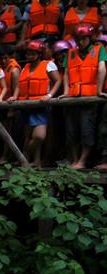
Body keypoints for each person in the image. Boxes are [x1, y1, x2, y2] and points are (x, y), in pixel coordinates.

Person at [61, 23, 106, 169]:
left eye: (84, 39)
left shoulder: (99, 50)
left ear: (90, 38)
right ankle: (75, 159)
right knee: (70, 131)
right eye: (78, 39)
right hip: (73, 97)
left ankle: (82, 160)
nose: (80, 42)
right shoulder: (71, 53)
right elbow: (66, 73)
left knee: (87, 129)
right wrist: (66, 91)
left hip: (89, 96)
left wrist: (99, 90)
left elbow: (101, 69)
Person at [11, 40, 62, 167]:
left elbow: (58, 80)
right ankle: (35, 161)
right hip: (26, 105)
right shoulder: (25, 68)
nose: (30, 56)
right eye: (28, 53)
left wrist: (49, 95)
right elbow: (19, 86)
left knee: (39, 136)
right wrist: (15, 97)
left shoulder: (48, 65)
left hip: (41, 106)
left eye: (33, 53)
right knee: (28, 135)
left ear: (39, 54)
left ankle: (24, 154)